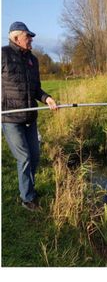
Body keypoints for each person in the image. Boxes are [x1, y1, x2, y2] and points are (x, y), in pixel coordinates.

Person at [2, 21, 58, 211]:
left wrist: (47, 98)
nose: (31, 39)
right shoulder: (3, 55)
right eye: (28, 36)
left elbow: (36, 89)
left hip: (30, 117)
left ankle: (30, 189)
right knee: (24, 157)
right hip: (10, 119)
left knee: (34, 157)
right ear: (16, 37)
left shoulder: (33, 60)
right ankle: (27, 198)